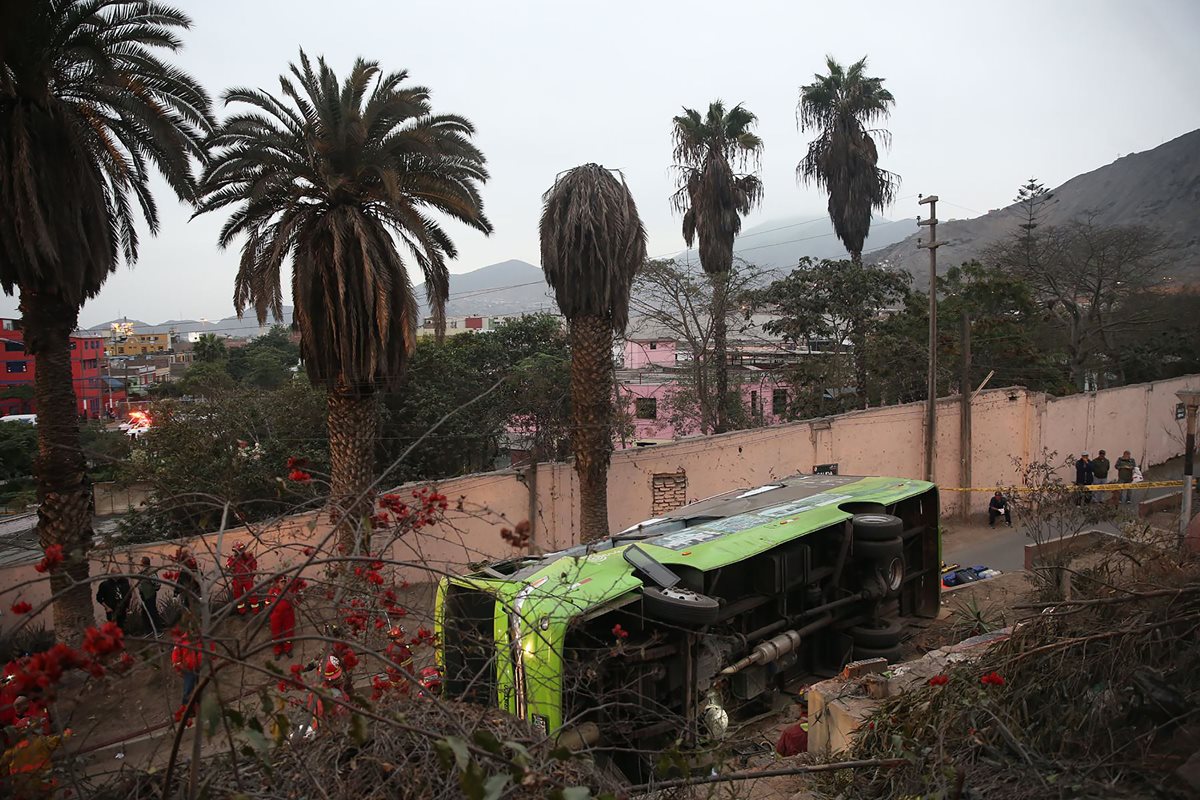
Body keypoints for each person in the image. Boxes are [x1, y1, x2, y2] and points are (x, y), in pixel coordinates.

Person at [268, 579, 297, 660]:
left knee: (289, 632)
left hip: (288, 614)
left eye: (285, 582)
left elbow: (296, 601)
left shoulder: (289, 591)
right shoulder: (273, 591)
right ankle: (277, 651)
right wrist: (269, 613)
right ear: (277, 583)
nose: (283, 584)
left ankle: (288, 649)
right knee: (276, 633)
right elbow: (268, 602)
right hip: (276, 615)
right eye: (282, 582)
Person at [226, 542, 258, 615]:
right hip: (237, 580)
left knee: (252, 595)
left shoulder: (248, 557)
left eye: (240, 550)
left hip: (247, 580)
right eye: (236, 551)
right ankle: (242, 612)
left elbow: (254, 566)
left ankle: (255, 612)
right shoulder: (232, 559)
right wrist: (230, 568)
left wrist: (251, 576)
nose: (238, 552)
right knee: (238, 596)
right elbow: (228, 567)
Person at [136, 556, 164, 635]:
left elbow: (157, 583)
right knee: (145, 613)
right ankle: (148, 630)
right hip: (144, 595)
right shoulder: (142, 572)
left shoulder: (150, 572)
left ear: (143, 563)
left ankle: (159, 630)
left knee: (152, 612)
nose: (139, 563)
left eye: (140, 561)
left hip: (149, 595)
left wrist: (152, 590)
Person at [385, 626, 414, 692]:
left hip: (407, 677)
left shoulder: (400, 647)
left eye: (403, 636)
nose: (404, 639)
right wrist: (401, 681)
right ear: (396, 638)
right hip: (401, 681)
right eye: (401, 637)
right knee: (404, 695)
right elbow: (393, 669)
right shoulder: (395, 651)